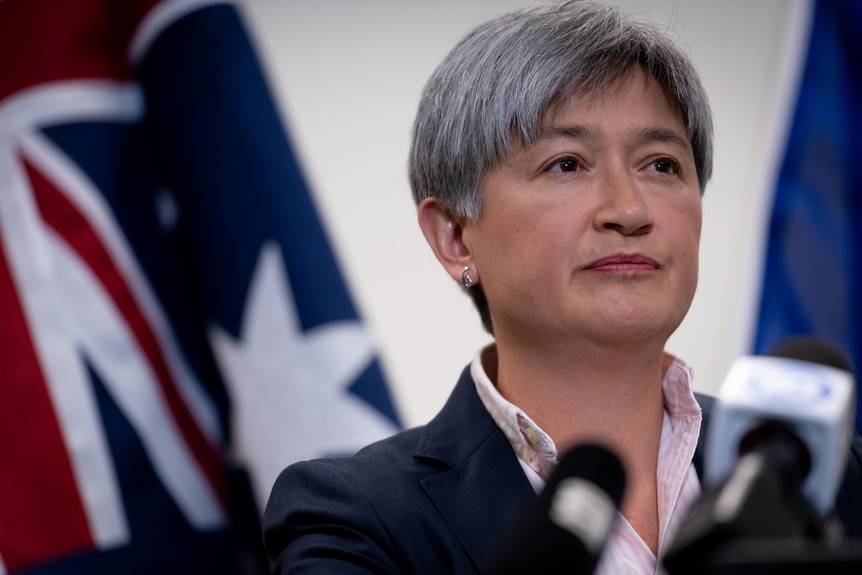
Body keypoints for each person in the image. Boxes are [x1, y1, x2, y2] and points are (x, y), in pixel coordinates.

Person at [262, 1, 862, 573]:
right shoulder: (356, 516)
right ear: (455, 237)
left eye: (660, 164)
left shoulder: (829, 473)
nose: (628, 210)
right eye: (566, 164)